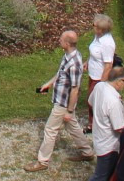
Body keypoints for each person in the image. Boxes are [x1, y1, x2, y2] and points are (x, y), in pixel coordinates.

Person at [26, 29, 92, 171]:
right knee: (73, 127)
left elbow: (75, 89)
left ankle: (42, 161)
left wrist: (68, 110)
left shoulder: (74, 63)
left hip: (63, 104)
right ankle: (88, 152)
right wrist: (48, 84)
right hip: (63, 102)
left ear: (67, 43)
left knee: (50, 130)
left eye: (61, 39)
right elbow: (60, 74)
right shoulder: (69, 55)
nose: (59, 40)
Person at [73, 65, 124, 181]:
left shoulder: (99, 86)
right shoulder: (114, 101)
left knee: (111, 171)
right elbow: (119, 128)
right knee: (99, 176)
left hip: (99, 138)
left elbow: (90, 102)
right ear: (118, 81)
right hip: (109, 144)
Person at [83, 13, 116, 133]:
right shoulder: (97, 37)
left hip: (99, 78)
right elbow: (95, 52)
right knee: (91, 100)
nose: (92, 26)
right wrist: (88, 61)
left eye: (94, 25)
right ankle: (93, 122)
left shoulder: (107, 43)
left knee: (93, 101)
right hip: (93, 74)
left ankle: (94, 125)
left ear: (101, 29)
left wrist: (102, 84)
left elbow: (108, 65)